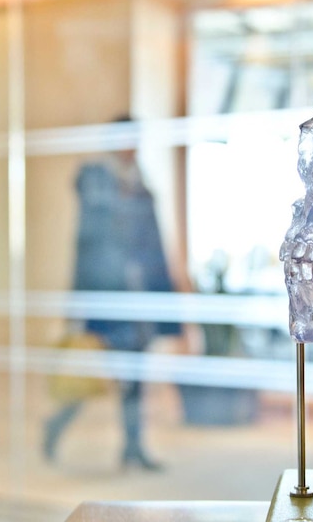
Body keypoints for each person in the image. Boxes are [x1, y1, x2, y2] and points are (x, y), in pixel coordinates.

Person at [44, 116, 180, 471]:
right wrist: (79, 303)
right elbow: (87, 245)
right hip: (108, 299)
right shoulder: (98, 180)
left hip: (139, 300)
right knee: (91, 374)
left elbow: (153, 245)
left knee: (133, 378)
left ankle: (133, 447)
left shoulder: (139, 183)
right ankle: (56, 424)